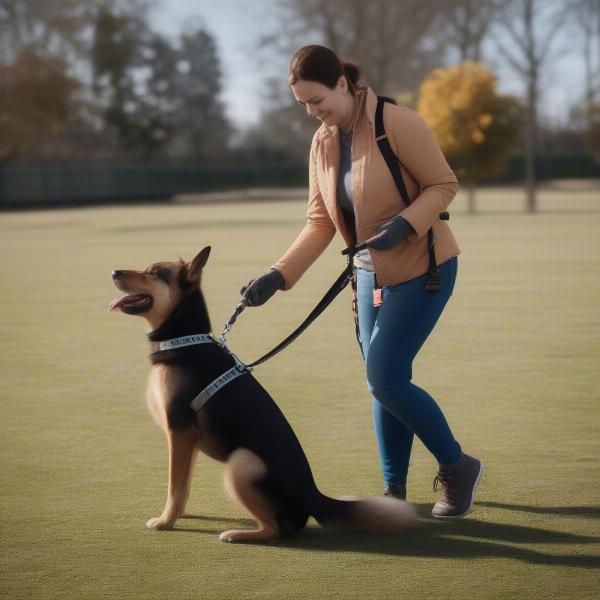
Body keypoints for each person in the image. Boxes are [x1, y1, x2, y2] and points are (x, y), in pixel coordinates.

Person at [241, 45, 483, 518]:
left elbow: (443, 184)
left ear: (342, 84)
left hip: (424, 269)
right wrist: (278, 275)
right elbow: (319, 221)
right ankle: (394, 492)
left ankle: (458, 467)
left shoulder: (398, 123)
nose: (314, 112)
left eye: (318, 100)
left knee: (385, 377)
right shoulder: (322, 142)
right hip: (368, 278)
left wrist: (406, 225)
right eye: (304, 105)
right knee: (384, 382)